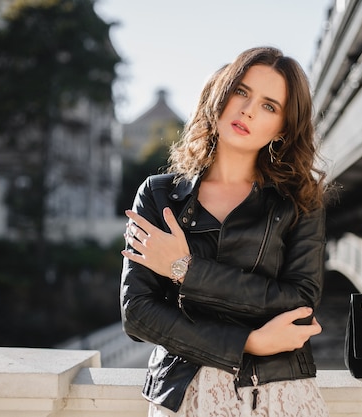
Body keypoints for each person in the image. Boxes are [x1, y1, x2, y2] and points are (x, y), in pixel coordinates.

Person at [120, 46, 330, 417]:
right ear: (222, 92)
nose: (247, 109)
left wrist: (185, 269)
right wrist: (249, 341)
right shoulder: (158, 194)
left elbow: (299, 301)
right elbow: (137, 313)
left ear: (282, 128)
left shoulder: (299, 201)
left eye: (269, 105)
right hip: (184, 395)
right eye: (241, 91)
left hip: (280, 393)